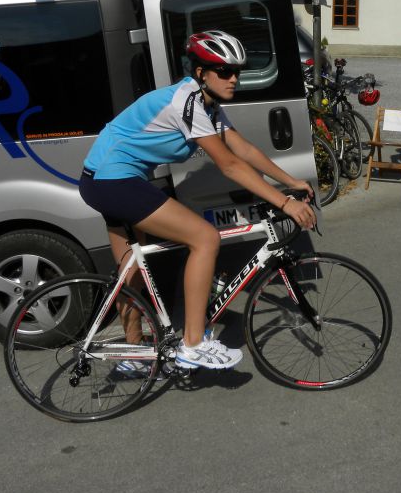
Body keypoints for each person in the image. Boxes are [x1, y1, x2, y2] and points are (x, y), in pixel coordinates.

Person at [78, 30, 316, 372]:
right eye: (224, 71)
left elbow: (244, 149)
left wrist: (290, 180)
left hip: (107, 179)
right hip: (112, 180)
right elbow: (231, 165)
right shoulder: (187, 102)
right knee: (205, 238)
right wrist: (285, 203)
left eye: (237, 71)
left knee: (131, 271)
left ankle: (131, 356)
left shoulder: (208, 105)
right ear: (201, 72)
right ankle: (193, 343)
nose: (234, 78)